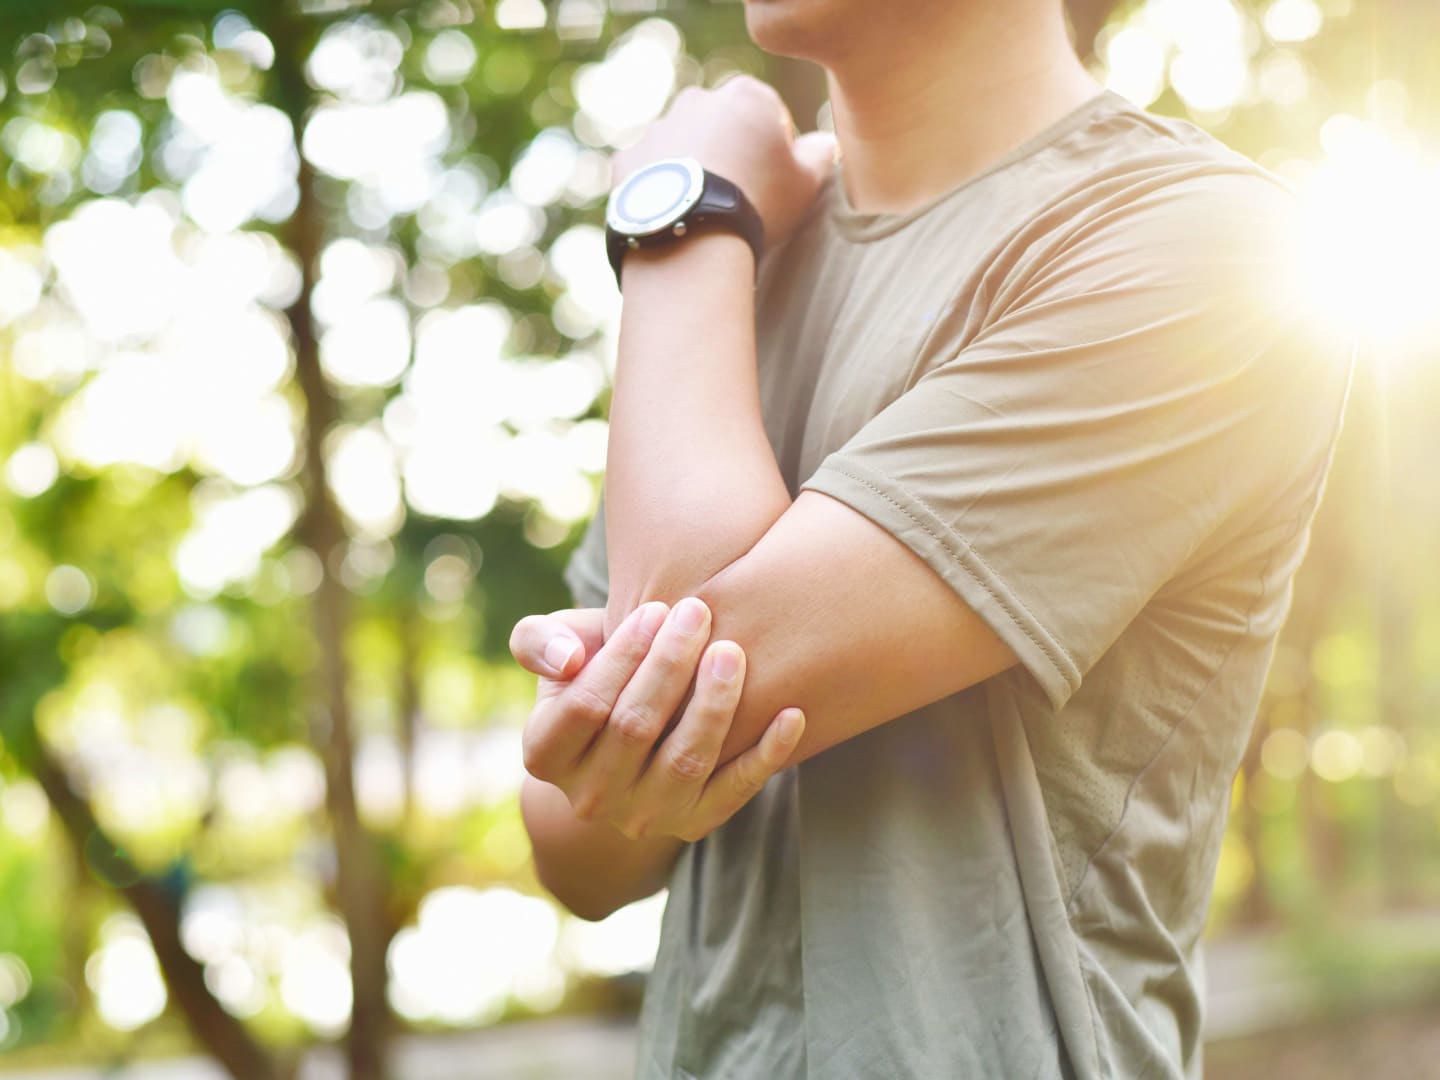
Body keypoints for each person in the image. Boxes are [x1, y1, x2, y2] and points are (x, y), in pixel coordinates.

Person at [508, 0, 1352, 1076]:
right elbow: (573, 847)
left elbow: (696, 668)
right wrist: (713, 235)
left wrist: (673, 214)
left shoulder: (1202, 246)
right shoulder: (737, 270)